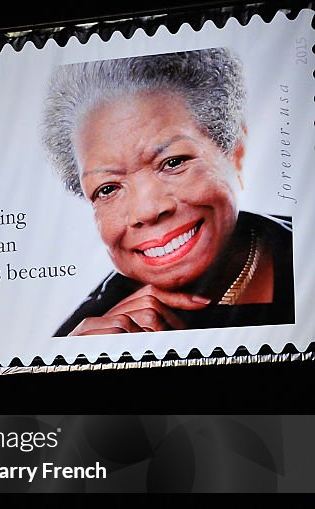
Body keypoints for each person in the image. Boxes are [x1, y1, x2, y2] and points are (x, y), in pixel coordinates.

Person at [40, 47, 294, 336]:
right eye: (108, 188)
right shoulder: (80, 340)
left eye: (173, 162)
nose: (147, 210)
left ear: (234, 152)